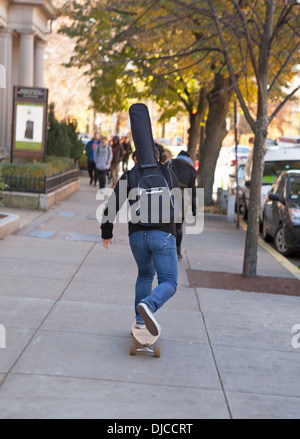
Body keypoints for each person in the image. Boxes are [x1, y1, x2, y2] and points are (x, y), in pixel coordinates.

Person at [100, 103, 182, 336]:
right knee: (169, 282)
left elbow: (111, 207)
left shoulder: (130, 175)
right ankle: (150, 305)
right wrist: (177, 235)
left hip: (137, 236)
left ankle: (139, 321)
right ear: (158, 156)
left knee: (145, 275)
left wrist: (107, 233)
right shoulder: (167, 172)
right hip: (163, 235)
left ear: (136, 157)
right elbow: (180, 207)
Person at [166, 150, 197, 259]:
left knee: (166, 224)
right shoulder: (191, 170)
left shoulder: (170, 164)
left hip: (168, 195)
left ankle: (164, 248)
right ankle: (177, 251)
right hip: (182, 197)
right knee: (178, 226)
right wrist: (194, 208)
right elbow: (193, 190)